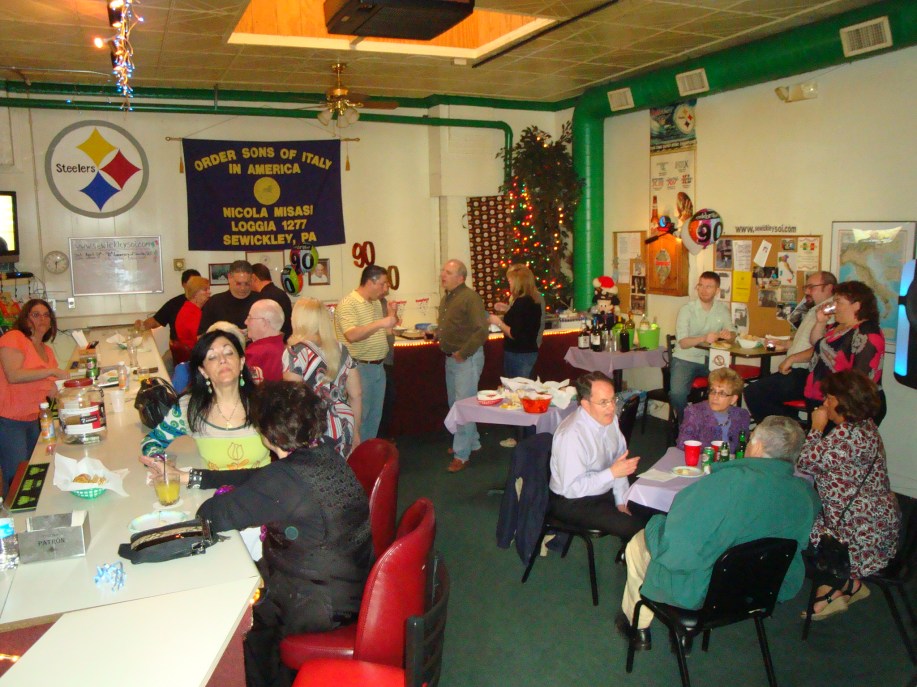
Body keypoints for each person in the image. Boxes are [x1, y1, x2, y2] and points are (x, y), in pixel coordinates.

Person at [141, 381, 372, 687]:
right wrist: (194, 477)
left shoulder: (283, 482)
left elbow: (212, 515)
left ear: (267, 434)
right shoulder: (326, 456)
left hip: (317, 607)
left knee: (240, 614)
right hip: (353, 587)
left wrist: (218, 493)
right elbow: (259, 477)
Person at [616, 416, 819, 650]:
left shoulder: (726, 484)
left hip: (706, 591)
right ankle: (681, 633)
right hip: (761, 589)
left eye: (751, 439)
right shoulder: (807, 495)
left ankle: (638, 628)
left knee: (638, 543)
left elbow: (676, 550)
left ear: (758, 447)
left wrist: (655, 524)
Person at [796, 370, 901, 620]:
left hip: (860, 533)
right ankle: (849, 585)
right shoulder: (865, 427)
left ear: (843, 401)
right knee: (812, 519)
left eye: (829, 398)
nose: (824, 403)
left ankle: (831, 590)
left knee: (797, 529)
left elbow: (806, 462)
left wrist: (816, 427)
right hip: (875, 523)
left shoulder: (847, 436)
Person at [140, 329, 270, 470]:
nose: (222, 360)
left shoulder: (266, 403)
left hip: (264, 483)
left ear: (241, 361)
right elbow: (151, 441)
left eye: (228, 353)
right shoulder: (189, 407)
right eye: (212, 357)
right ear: (203, 370)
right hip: (212, 484)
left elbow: (287, 453)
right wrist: (160, 463)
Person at [549, 372, 647, 540]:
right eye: (603, 402)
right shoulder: (572, 436)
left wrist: (621, 500)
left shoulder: (610, 419)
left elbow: (619, 461)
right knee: (636, 527)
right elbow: (572, 489)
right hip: (571, 500)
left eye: (613, 399)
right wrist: (612, 473)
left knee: (655, 500)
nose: (612, 407)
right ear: (585, 404)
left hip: (604, 483)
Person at [744, 271, 836, 423]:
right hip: (795, 370)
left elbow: (823, 347)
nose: (807, 291)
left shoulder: (831, 312)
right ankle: (791, 426)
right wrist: (783, 343)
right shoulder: (815, 308)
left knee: (753, 392)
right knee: (764, 392)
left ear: (828, 288)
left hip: (808, 373)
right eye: (806, 287)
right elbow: (804, 342)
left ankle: (788, 428)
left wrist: (792, 358)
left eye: (812, 287)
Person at [0, 299, 69, 488]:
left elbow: (52, 389)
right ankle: (8, 508)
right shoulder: (14, 338)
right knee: (16, 477)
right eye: (36, 315)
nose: (42, 319)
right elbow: (13, 375)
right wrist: (50, 371)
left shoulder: (47, 350)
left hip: (35, 419)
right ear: (25, 318)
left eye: (46, 315)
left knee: (34, 472)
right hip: (9, 421)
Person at [285, 298, 362, 460]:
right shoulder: (342, 349)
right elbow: (356, 394)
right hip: (344, 422)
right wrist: (355, 431)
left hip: (313, 426)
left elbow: (292, 399)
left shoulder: (295, 352)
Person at [804, 280, 886, 423]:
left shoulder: (867, 332)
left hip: (846, 407)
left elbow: (859, 380)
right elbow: (816, 343)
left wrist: (836, 405)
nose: (834, 306)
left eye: (839, 302)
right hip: (824, 398)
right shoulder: (838, 326)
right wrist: (821, 322)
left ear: (857, 305)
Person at [334, 265, 398, 442]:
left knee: (374, 417)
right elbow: (352, 335)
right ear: (370, 282)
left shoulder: (375, 303)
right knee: (359, 418)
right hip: (359, 367)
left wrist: (391, 316)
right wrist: (382, 323)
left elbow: (382, 332)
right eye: (383, 284)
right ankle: (355, 454)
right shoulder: (348, 304)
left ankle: (367, 454)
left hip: (378, 366)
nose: (386, 289)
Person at [437, 258, 490, 472]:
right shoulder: (447, 298)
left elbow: (482, 330)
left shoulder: (470, 298)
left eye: (448, 272)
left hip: (466, 358)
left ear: (460, 278)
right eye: (443, 271)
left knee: (463, 406)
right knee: (457, 403)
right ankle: (472, 442)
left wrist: (463, 352)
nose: (443, 275)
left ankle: (462, 454)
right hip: (452, 358)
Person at [489, 263, 543, 449]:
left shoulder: (522, 303)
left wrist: (497, 321)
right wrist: (507, 310)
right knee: (524, 397)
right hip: (526, 353)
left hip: (519, 354)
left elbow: (514, 333)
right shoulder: (532, 300)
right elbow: (522, 322)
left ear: (519, 282)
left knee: (519, 399)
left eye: (511, 280)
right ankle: (525, 439)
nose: (509, 283)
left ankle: (524, 441)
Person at [670, 271, 736, 419]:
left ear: (717, 290)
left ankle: (715, 422)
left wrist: (729, 335)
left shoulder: (722, 310)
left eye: (709, 287)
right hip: (686, 358)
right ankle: (686, 423)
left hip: (710, 359)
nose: (703, 290)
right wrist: (704, 338)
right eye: (701, 285)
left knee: (728, 388)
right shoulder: (687, 310)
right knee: (677, 394)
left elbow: (732, 333)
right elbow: (683, 342)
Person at [675, 367, 750, 450]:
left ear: (733, 399)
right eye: (713, 391)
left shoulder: (742, 415)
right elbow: (683, 444)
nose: (715, 397)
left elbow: (743, 447)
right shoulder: (694, 412)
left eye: (722, 393)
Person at [198, 260, 264, 333]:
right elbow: (201, 335)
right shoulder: (214, 303)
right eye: (238, 283)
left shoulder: (262, 302)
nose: (242, 288)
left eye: (246, 283)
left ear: (251, 279)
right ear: (229, 278)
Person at [135, 268, 201, 340]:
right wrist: (142, 325)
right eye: (193, 283)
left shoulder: (208, 303)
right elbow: (156, 321)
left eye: (199, 283)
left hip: (203, 344)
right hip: (178, 345)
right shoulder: (174, 303)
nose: (196, 286)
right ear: (184, 284)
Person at [245, 299, 287, 383]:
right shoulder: (285, 349)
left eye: (250, 318)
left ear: (264, 323)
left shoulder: (255, 354)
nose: (245, 322)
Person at [251, 262, 292, 339]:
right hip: (285, 339)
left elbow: (263, 327)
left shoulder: (264, 299)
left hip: (272, 341)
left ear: (253, 278)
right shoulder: (281, 293)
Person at [173, 276, 211, 351]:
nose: (209, 292)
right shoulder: (190, 313)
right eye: (205, 290)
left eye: (209, 289)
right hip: (196, 352)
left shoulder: (188, 308)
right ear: (195, 293)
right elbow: (200, 338)